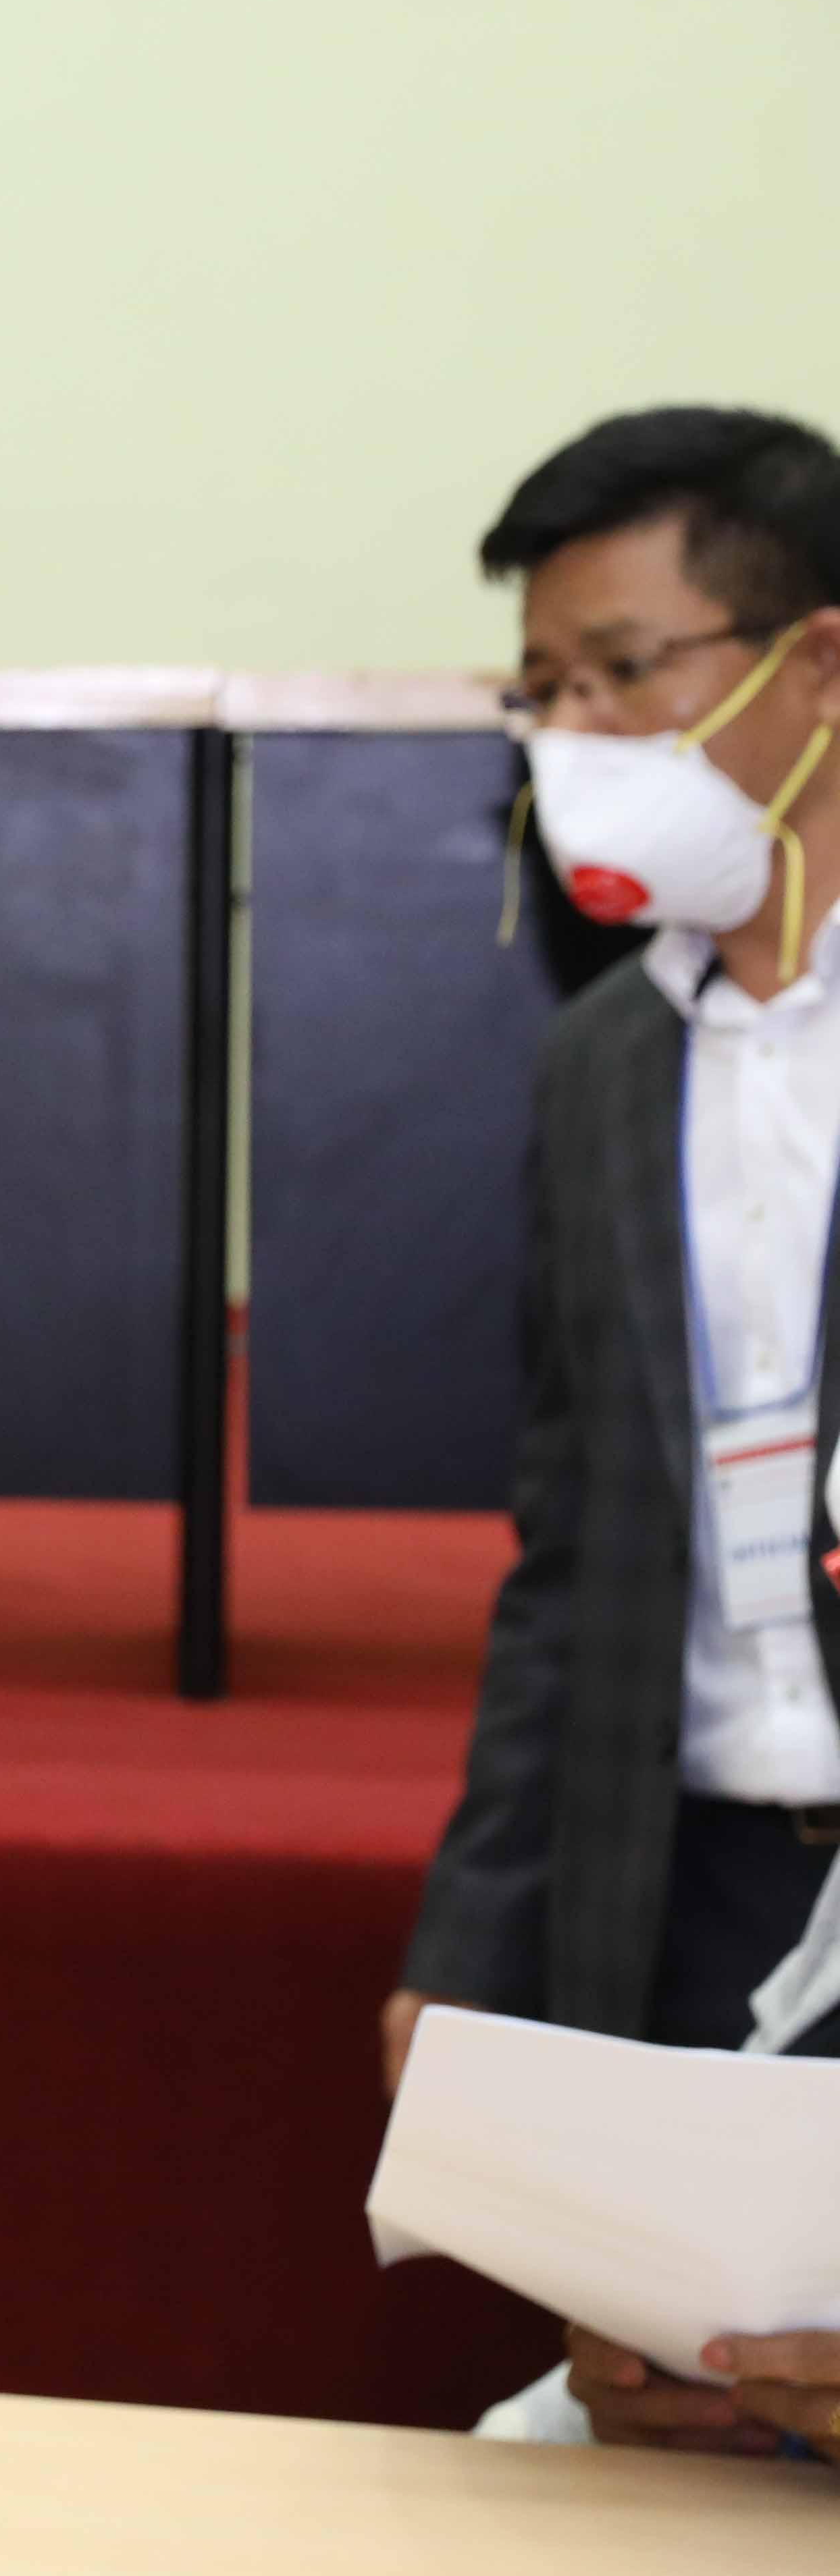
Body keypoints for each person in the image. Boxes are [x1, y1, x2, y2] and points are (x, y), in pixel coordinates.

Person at [389, 405, 840, 2457]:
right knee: (657, 2435)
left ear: (813, 665)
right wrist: (471, 1951)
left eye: (622, 672)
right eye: (541, 689)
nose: (571, 736)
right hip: (695, 1888)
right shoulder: (600, 1064)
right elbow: (568, 1546)